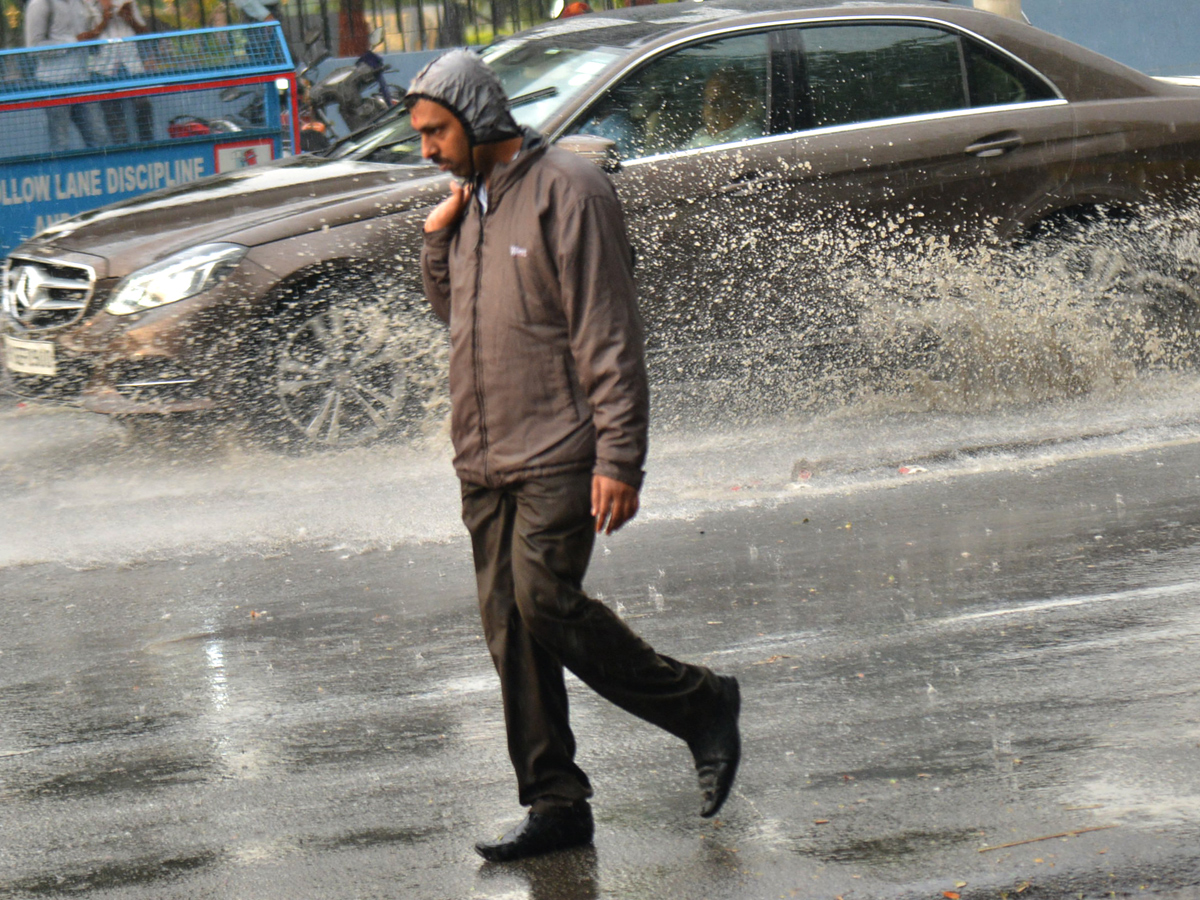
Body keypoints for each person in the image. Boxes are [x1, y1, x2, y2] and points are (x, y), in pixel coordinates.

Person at [406, 49, 742, 863]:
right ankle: (556, 801)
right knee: (511, 632)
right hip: (482, 458)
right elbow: (459, 319)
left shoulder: (571, 191)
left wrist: (619, 460)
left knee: (545, 600)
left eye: (434, 132)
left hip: (560, 448)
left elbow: (609, 334)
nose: (425, 150)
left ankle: (699, 703)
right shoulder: (471, 203)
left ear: (479, 120)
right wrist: (434, 244)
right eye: (419, 136)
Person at [23, 0, 107, 149]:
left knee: (99, 139)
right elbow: (34, 47)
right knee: (60, 143)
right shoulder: (40, 4)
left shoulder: (80, 3)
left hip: (82, 81)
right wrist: (74, 41)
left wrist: (103, 16)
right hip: (53, 85)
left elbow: (92, 32)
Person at [90, 0, 154, 145]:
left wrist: (129, 18)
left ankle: (149, 148)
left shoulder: (128, 2)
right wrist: (104, 19)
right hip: (103, 69)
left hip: (132, 65)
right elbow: (82, 38)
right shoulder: (87, 5)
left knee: (143, 107)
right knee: (115, 121)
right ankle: (121, 154)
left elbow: (144, 32)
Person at [685, 66, 765, 150]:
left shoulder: (748, 142)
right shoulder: (701, 136)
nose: (712, 108)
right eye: (707, 101)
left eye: (720, 102)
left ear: (747, 105)